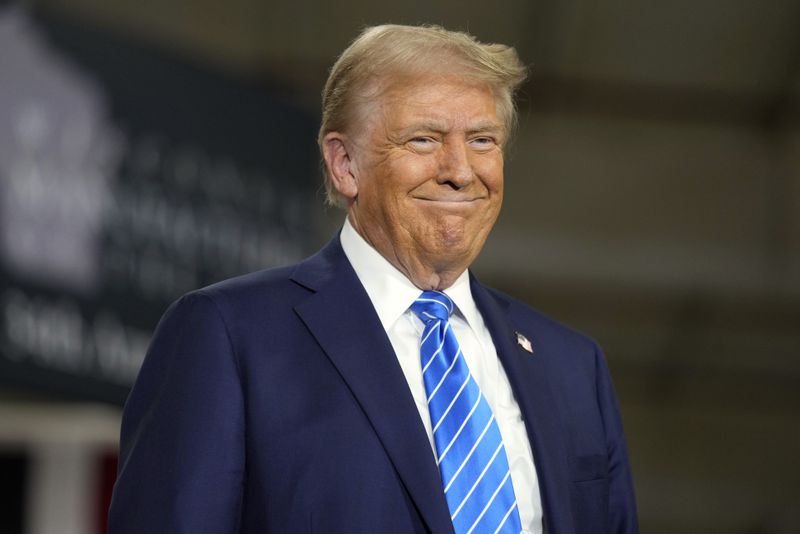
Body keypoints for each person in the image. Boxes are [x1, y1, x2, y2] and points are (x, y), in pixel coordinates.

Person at [108, 24, 638, 534]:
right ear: (344, 165)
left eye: (482, 140)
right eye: (424, 139)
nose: (460, 169)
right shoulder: (228, 337)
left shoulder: (572, 365)